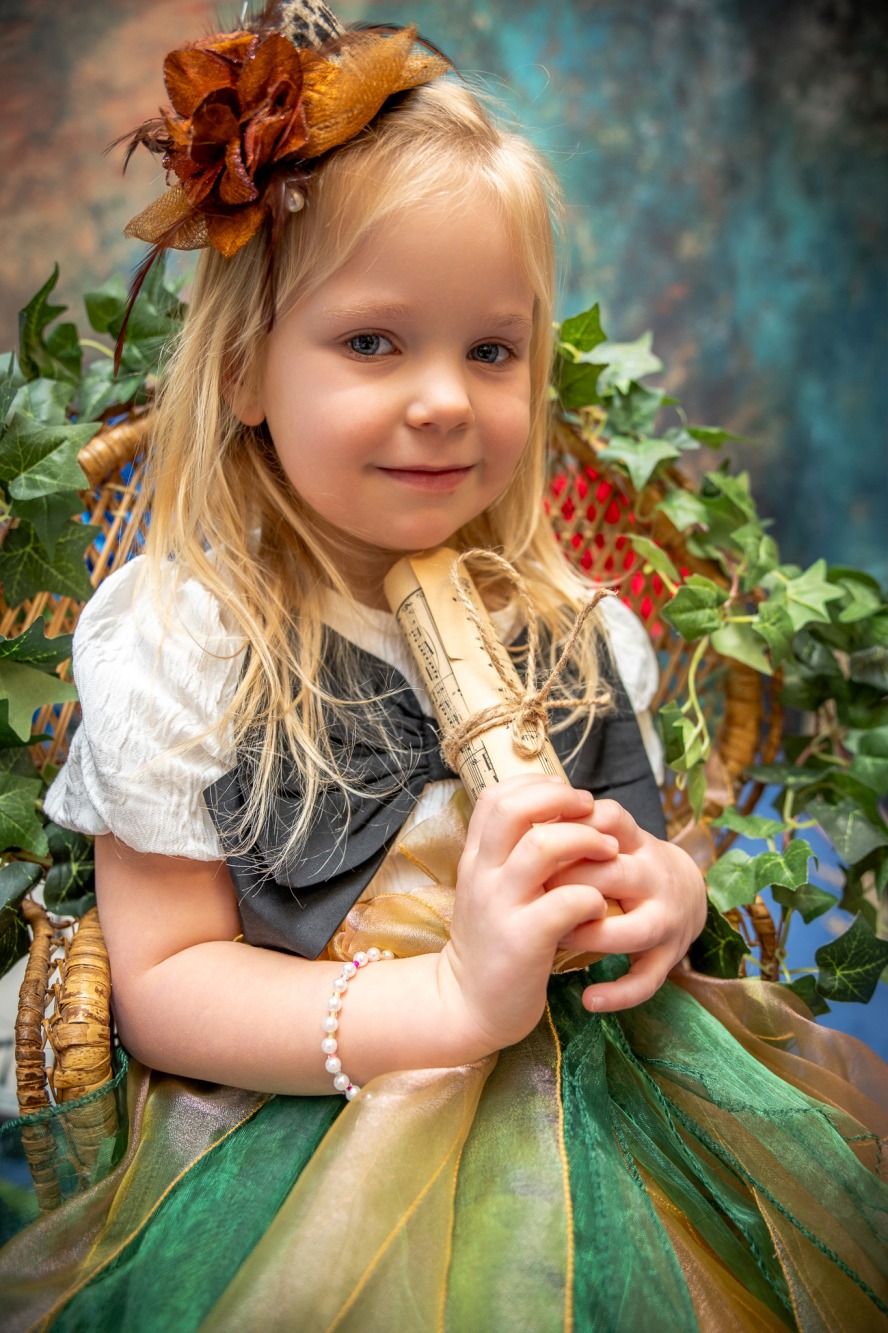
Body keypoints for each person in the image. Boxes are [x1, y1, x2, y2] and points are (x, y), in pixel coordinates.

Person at [1, 3, 887, 1328]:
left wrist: (665, 891)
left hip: (613, 1106)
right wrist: (453, 997)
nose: (445, 400)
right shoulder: (193, 639)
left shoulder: (570, 624)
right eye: (373, 342)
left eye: (492, 350)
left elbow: (651, 843)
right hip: (329, 1118)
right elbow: (168, 986)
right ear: (245, 371)